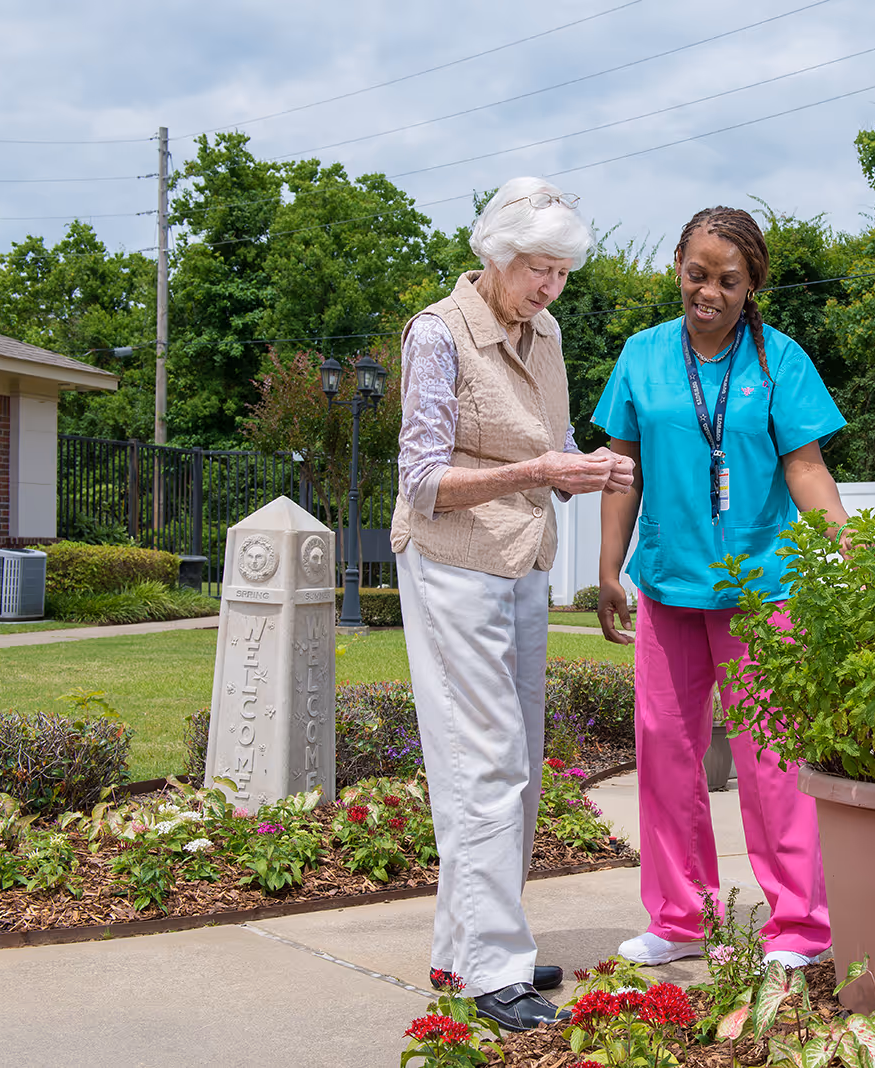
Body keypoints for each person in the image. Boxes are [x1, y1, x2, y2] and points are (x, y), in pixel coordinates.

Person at [391, 176, 635, 1032]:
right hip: (453, 563)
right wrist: (541, 472)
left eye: (563, 272)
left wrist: (591, 463)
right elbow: (421, 482)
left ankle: (465, 948)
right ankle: (493, 969)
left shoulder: (548, 332)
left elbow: (548, 438)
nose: (550, 287)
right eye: (539, 268)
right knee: (482, 761)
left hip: (522, 563)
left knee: (514, 762)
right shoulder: (437, 334)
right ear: (495, 257)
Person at [592, 206, 849, 970]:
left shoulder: (779, 361)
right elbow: (621, 467)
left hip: (762, 590)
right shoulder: (641, 356)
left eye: (727, 281)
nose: (708, 291)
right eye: (696, 274)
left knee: (772, 760)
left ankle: (801, 925)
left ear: (751, 285)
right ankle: (680, 916)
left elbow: (805, 467)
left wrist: (852, 549)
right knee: (667, 755)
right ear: (677, 264)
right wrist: (608, 570)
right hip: (669, 586)